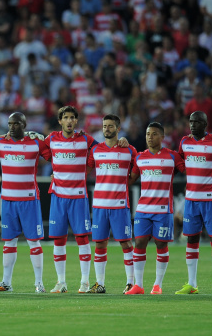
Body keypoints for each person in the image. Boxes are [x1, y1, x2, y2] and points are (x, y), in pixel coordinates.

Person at [0, 112, 51, 293]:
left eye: (16, 124)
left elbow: (54, 156)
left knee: (33, 242)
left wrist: (56, 172)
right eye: (10, 124)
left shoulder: (36, 143)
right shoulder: (1, 142)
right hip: (8, 200)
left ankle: (39, 283)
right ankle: (6, 282)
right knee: (8, 242)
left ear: (25, 125)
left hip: (29, 200)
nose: (12, 127)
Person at [125, 122, 186, 294]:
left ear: (162, 137)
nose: (150, 137)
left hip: (163, 209)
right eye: (147, 134)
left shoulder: (172, 156)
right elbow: (132, 178)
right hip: (143, 209)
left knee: (161, 244)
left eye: (153, 134)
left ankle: (157, 285)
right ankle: (138, 285)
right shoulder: (140, 158)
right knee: (140, 242)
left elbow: (189, 171)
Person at [43, 106, 97, 293]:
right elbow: (42, 151)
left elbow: (102, 148)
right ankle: (61, 282)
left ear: (76, 121)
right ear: (60, 121)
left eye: (72, 117)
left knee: (82, 238)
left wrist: (87, 169)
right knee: (59, 240)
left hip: (78, 197)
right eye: (65, 117)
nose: (69, 120)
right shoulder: (51, 139)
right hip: (58, 196)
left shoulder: (85, 139)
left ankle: (84, 281)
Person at [176, 111, 212, 295]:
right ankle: (192, 284)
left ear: (205, 124)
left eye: (196, 122)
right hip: (191, 200)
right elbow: (180, 163)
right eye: (190, 121)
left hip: (211, 199)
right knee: (192, 239)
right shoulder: (184, 142)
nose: (192, 125)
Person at [85, 114, 137, 294]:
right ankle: (100, 283)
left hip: (119, 205)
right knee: (99, 244)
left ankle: (131, 282)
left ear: (118, 128)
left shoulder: (129, 150)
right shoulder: (95, 150)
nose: (106, 129)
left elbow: (136, 172)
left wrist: (124, 183)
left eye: (110, 126)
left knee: (126, 244)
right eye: (104, 126)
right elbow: (85, 170)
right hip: (99, 205)